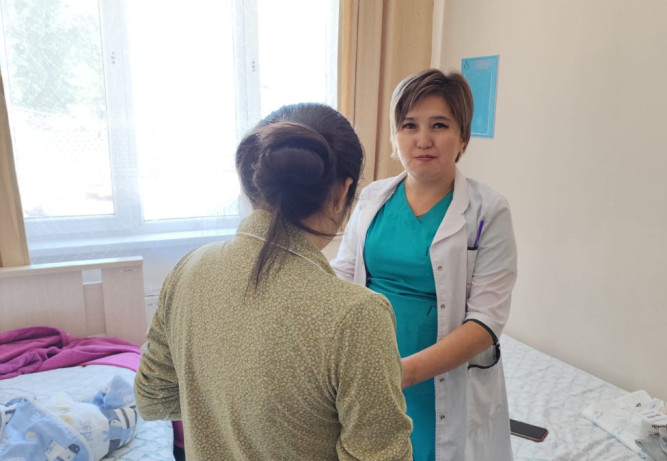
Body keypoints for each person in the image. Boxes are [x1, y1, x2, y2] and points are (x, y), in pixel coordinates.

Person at [134, 103, 413, 460]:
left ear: (254, 181)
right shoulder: (356, 315)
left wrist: (219, 405)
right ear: (342, 192)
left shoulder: (189, 269)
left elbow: (153, 399)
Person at [332, 69, 517, 461]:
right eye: (409, 125)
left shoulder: (488, 211)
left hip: (441, 376)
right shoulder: (373, 198)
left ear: (462, 137)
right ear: (394, 136)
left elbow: (486, 321)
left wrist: (405, 372)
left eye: (439, 125)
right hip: (369, 364)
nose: (423, 139)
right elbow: (343, 275)